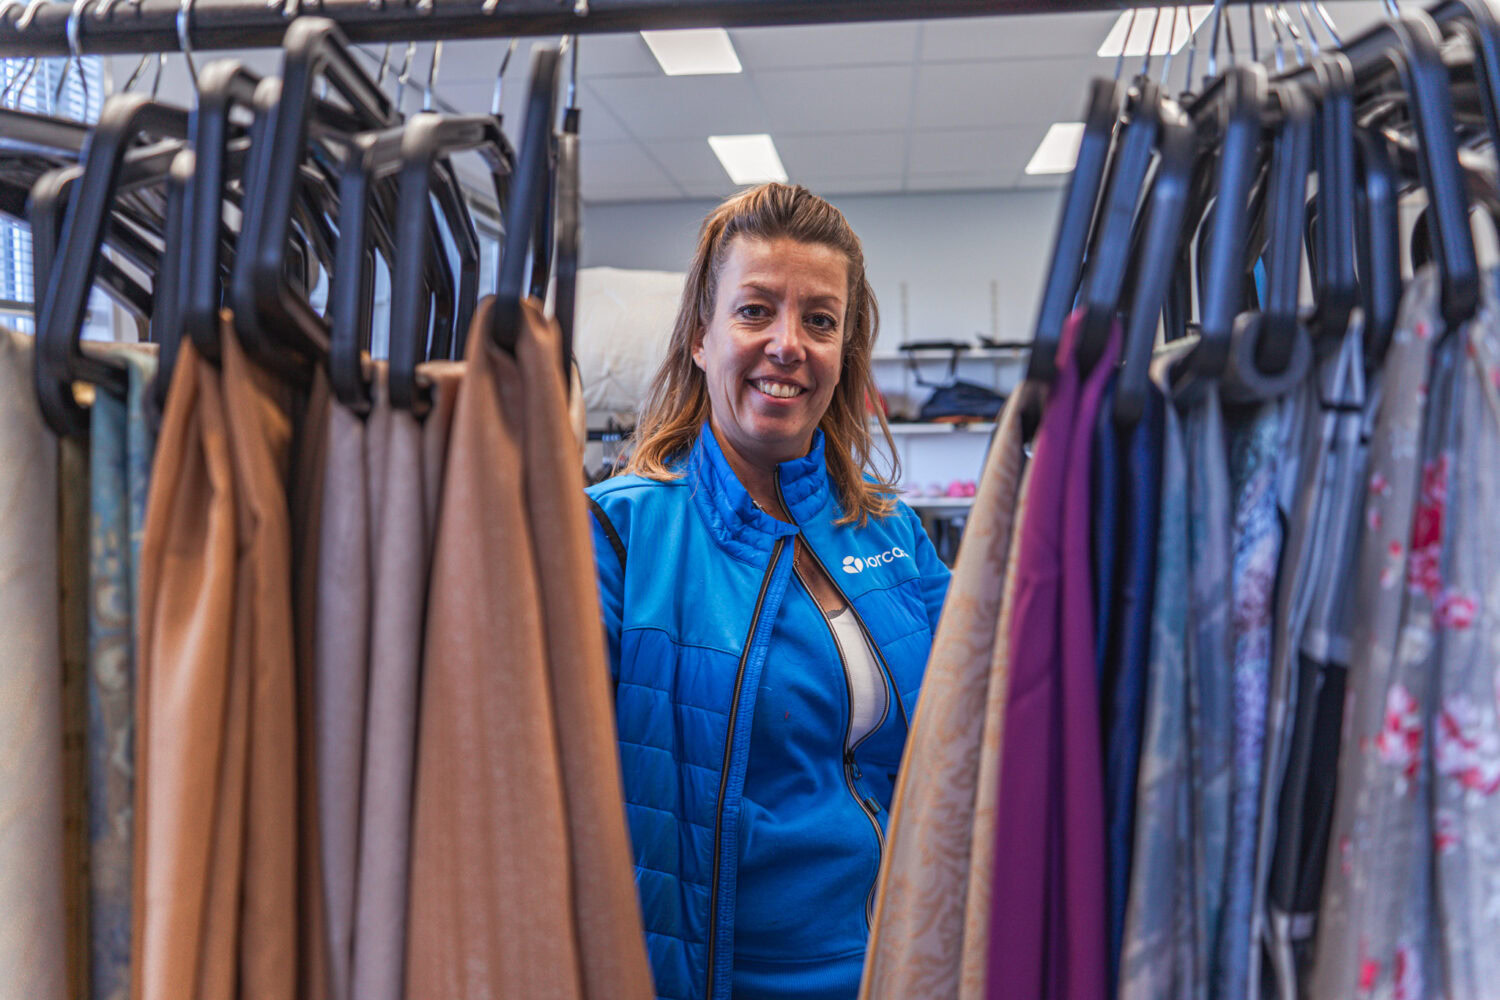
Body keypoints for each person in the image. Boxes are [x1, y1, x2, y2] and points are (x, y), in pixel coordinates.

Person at [585, 183, 950, 1000]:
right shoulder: (617, 538)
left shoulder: (889, 534)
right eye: (755, 311)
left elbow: (982, 715)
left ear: (844, 353)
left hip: (896, 968)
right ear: (701, 339)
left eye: (820, 320)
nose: (789, 344)